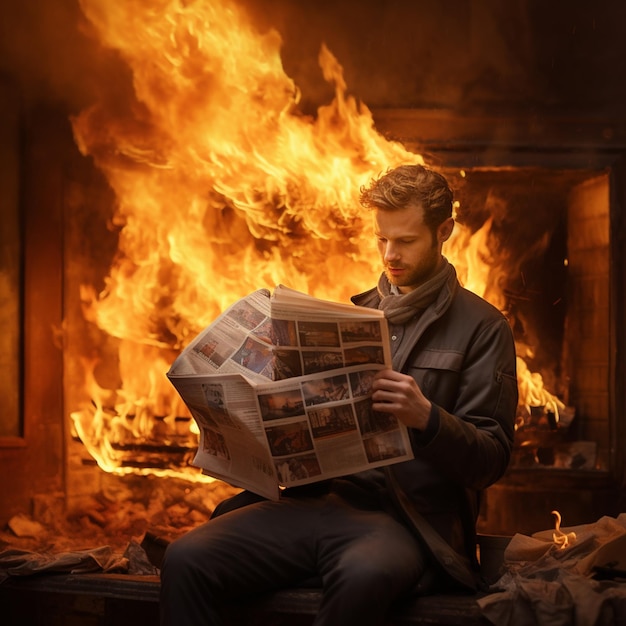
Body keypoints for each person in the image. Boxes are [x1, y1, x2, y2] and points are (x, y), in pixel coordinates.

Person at [159, 163, 518, 626]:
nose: (390, 253)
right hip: (311, 503)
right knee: (188, 558)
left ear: (444, 231)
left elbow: (491, 459)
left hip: (403, 521)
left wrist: (427, 417)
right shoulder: (350, 315)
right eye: (381, 238)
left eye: (405, 241)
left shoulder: (484, 329)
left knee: (363, 576)